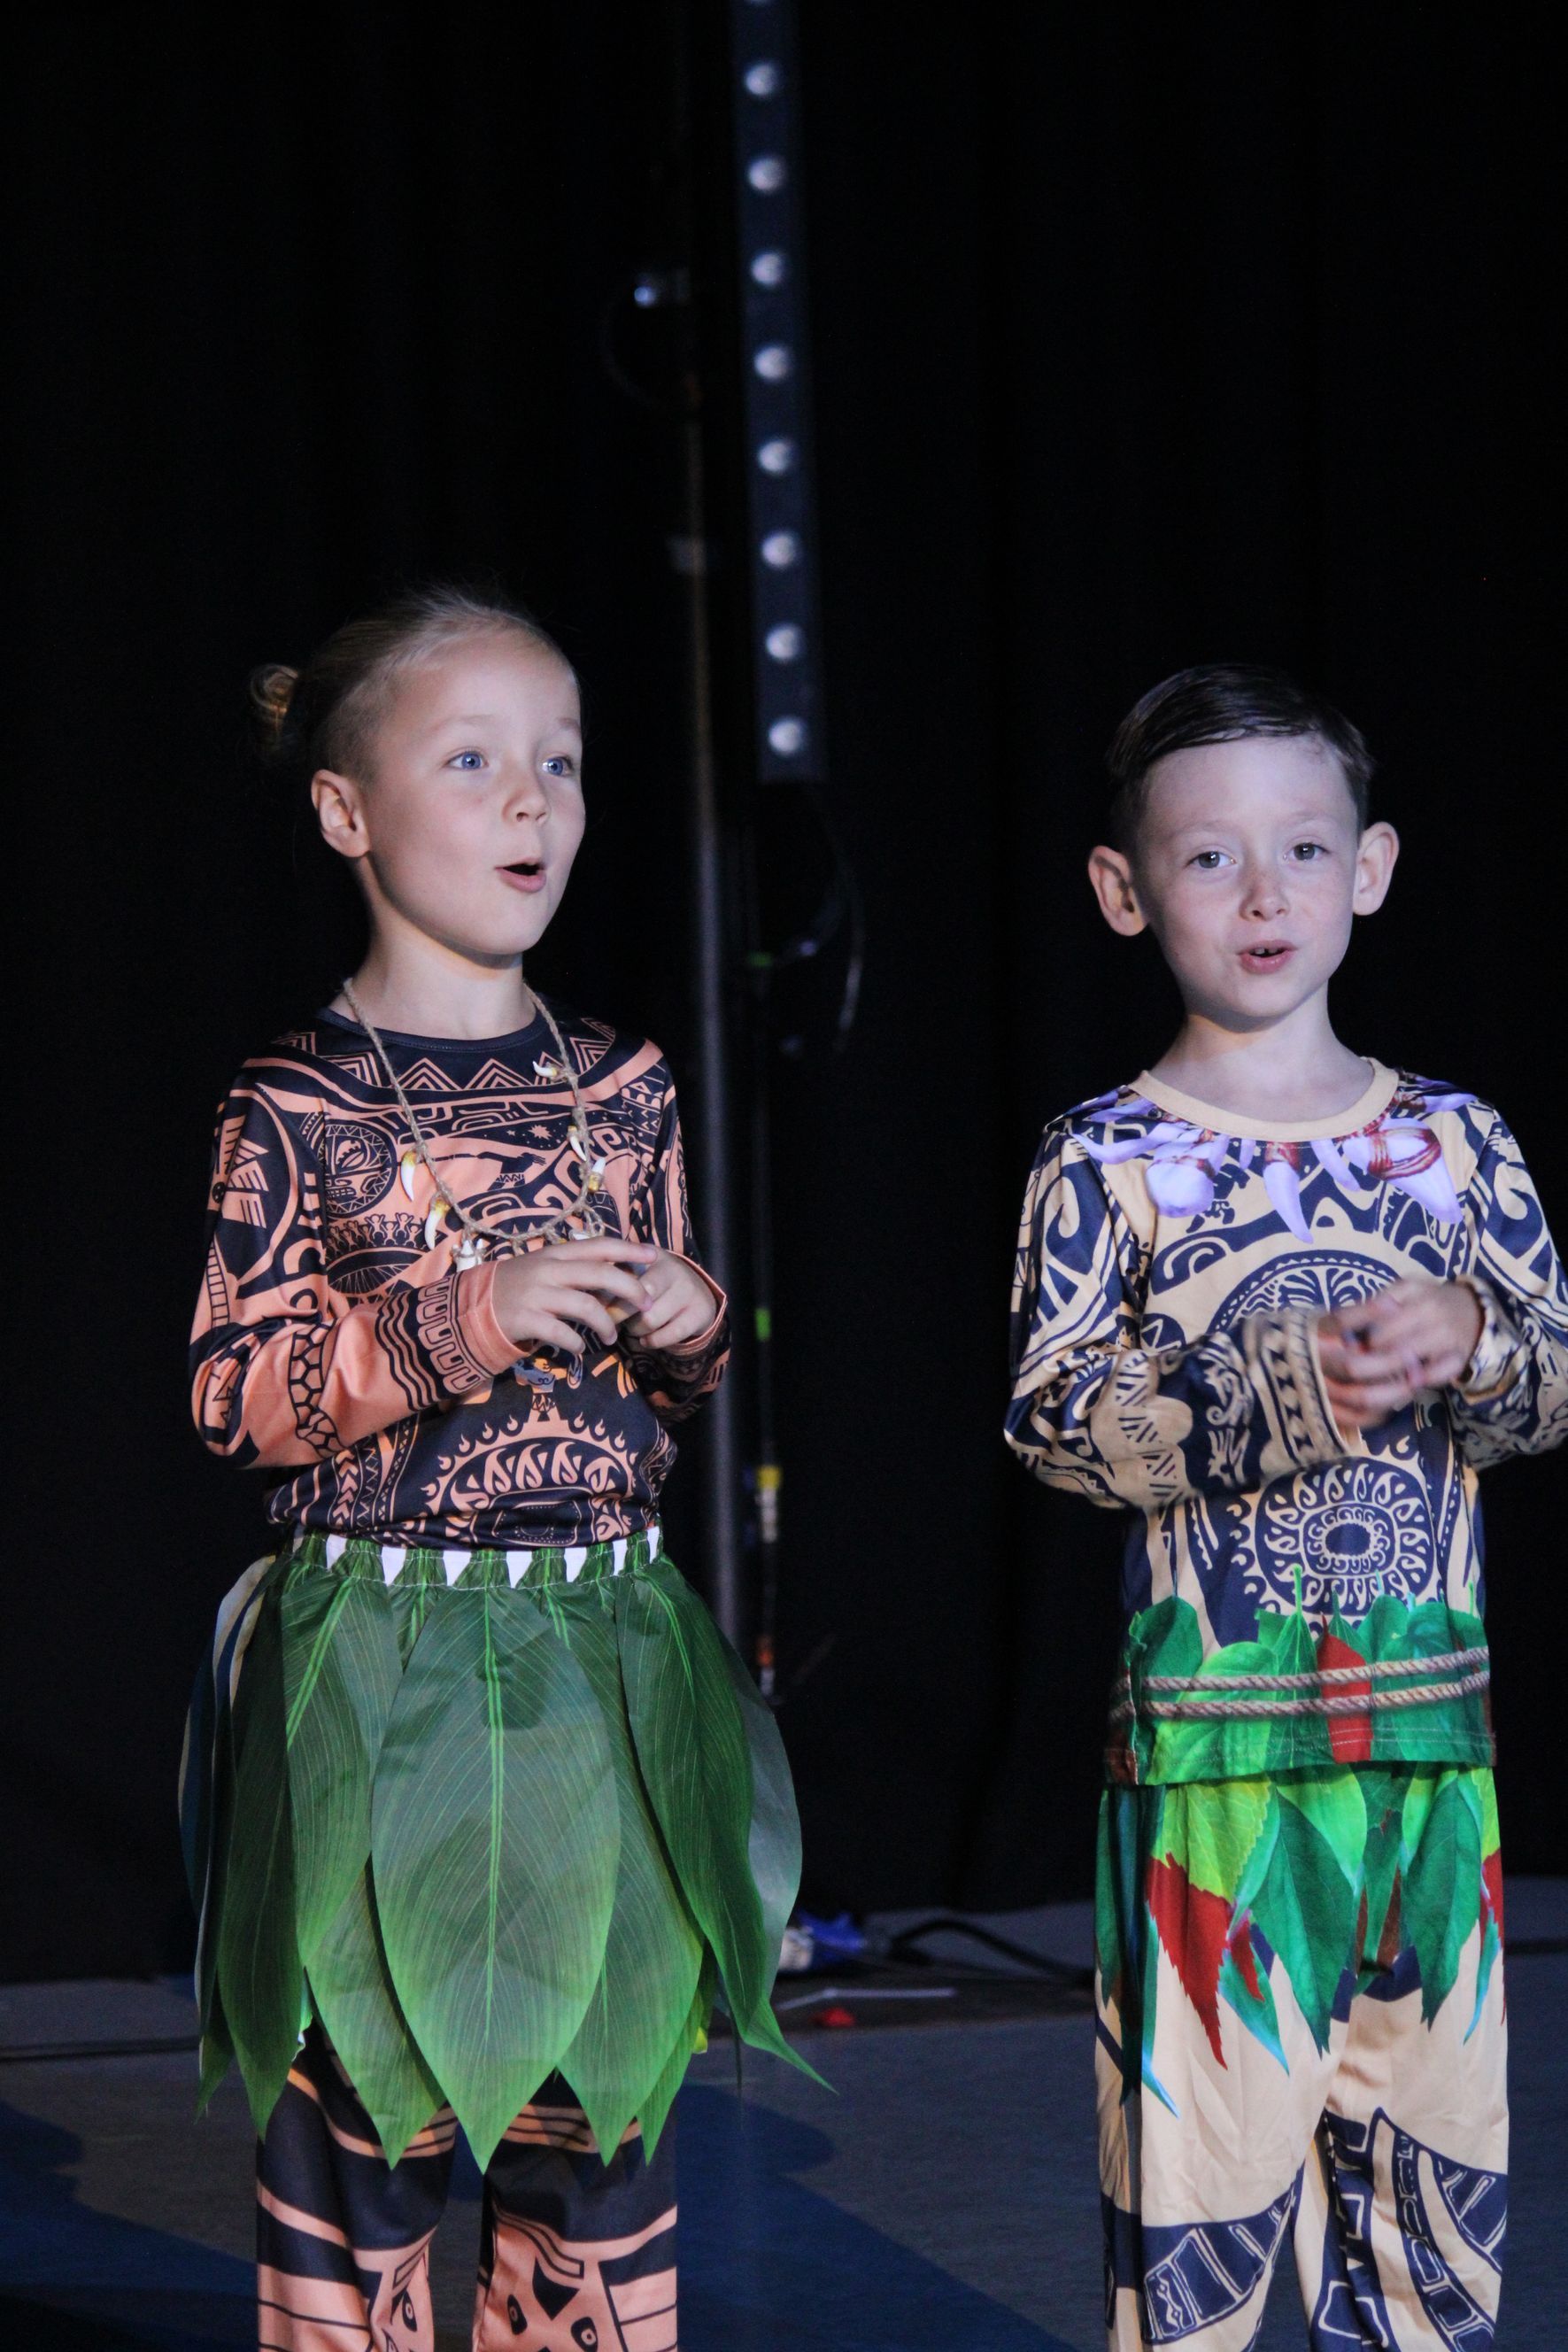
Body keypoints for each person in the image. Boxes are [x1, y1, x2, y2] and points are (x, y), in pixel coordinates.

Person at [182, 586, 807, 2348]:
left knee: (598, 2117)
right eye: (474, 760)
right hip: (379, 1666)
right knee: (368, 2117)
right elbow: (230, 1396)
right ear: (346, 811)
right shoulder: (295, 1100)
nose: (533, 799)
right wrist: (461, 1315)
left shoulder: (625, 1084)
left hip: (601, 1649)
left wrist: (689, 1321)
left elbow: (656, 1408)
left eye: (561, 760)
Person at [1005, 664, 1568, 2351]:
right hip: (1216, 1773)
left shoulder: (1457, 1146)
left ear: (1371, 867)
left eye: (1304, 850)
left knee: (1435, 2213)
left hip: (1427, 1765)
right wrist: (1275, 1388)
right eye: (1209, 860)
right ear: (1124, 892)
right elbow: (1052, 1421)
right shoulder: (1104, 1156)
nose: (1266, 896)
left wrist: (1478, 1336)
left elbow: (1552, 1382)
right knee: (1204, 2226)